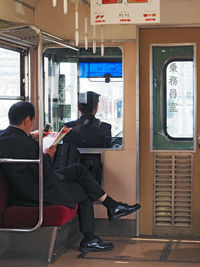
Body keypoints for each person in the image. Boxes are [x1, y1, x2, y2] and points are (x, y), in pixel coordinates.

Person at [0, 101, 141, 253]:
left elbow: (20, 149)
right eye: (32, 121)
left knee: (78, 169)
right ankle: (92, 236)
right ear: (27, 120)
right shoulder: (28, 145)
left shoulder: (4, 137)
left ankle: (112, 207)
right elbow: (45, 174)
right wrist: (48, 155)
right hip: (36, 193)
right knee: (83, 190)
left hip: (23, 188)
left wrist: (34, 136)